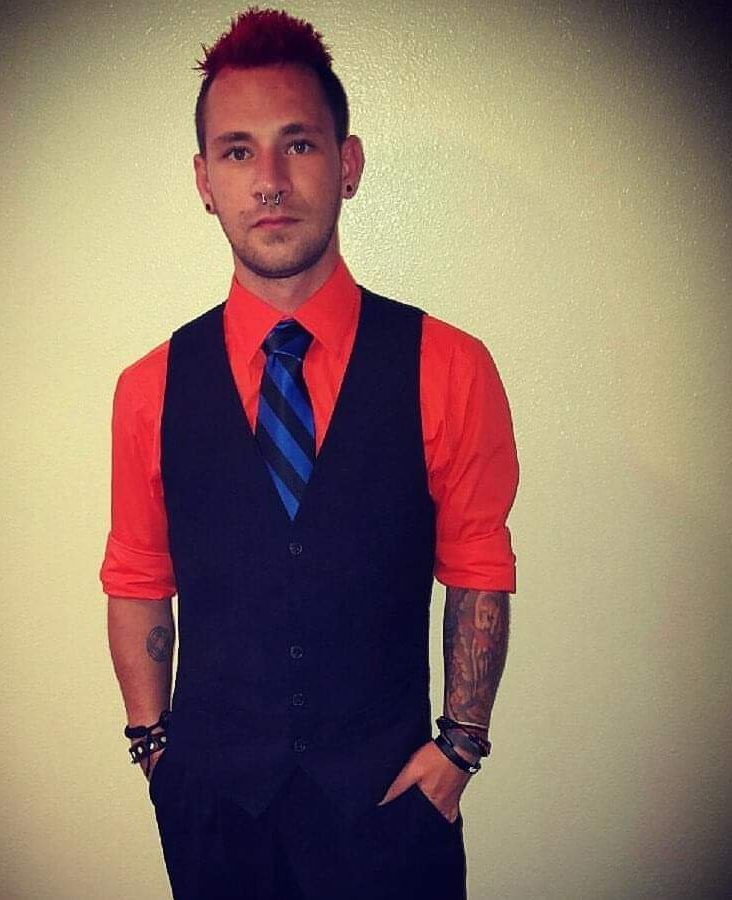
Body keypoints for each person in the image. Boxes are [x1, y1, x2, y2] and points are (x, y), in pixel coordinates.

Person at [100, 8, 518, 899]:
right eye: (238, 151)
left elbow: (479, 566)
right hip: (213, 816)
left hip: (392, 812)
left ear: (348, 163)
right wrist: (155, 752)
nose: (270, 181)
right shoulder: (148, 388)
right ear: (204, 179)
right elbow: (137, 576)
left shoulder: (448, 366)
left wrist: (460, 750)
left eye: (298, 144)